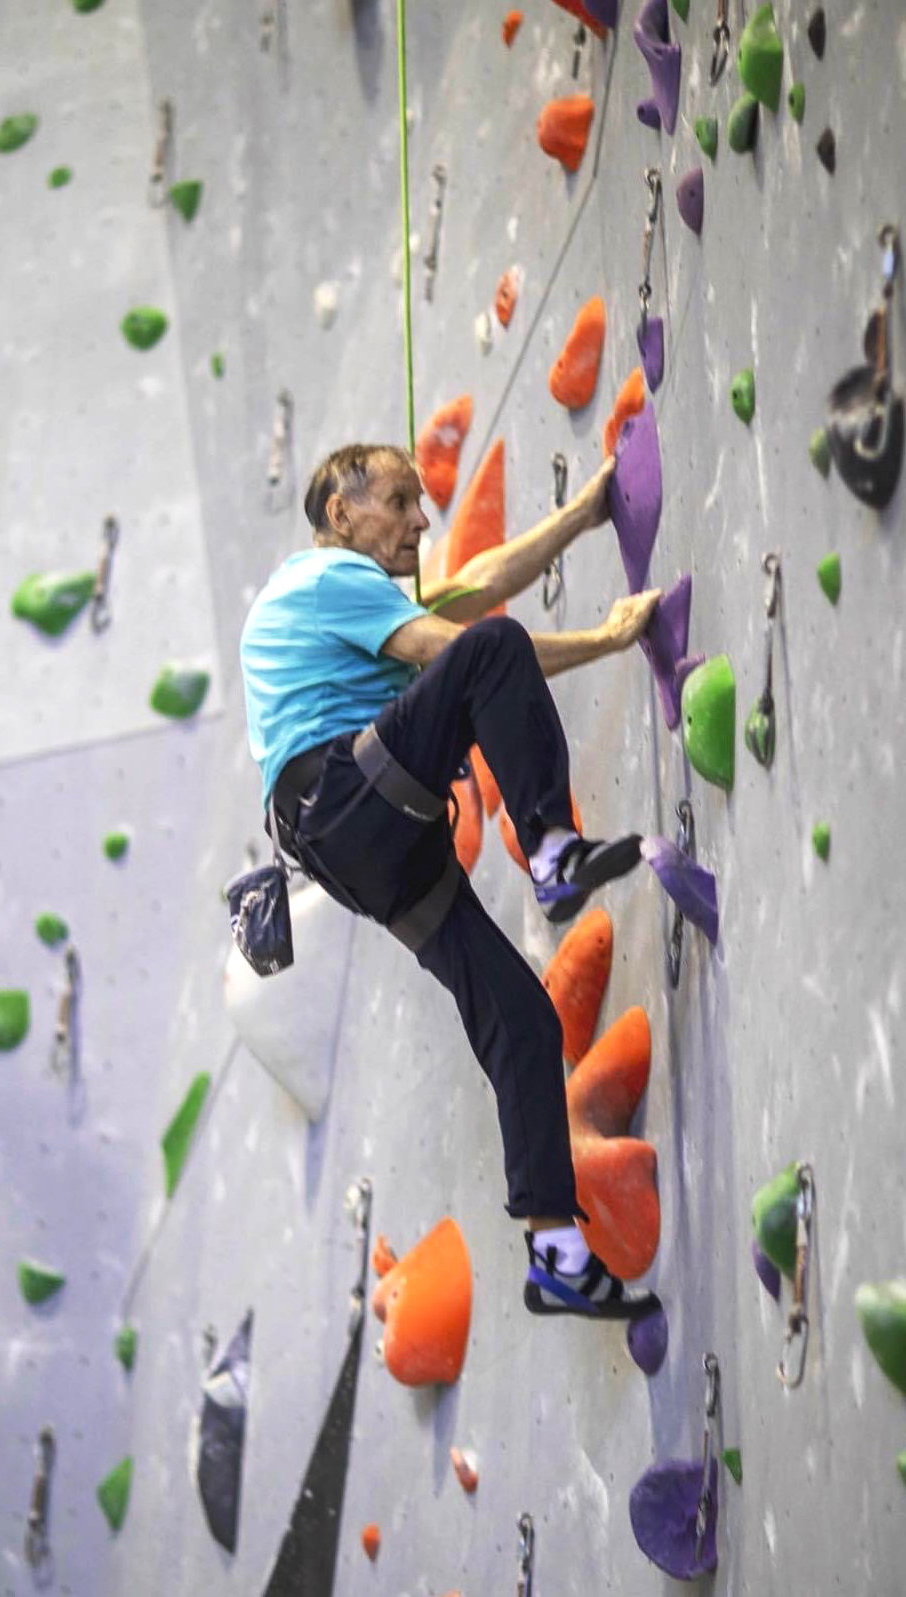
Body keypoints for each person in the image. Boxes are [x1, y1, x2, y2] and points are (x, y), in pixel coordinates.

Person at [239, 442, 661, 1321]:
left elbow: (477, 577)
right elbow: (467, 645)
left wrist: (583, 516)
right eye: (399, 500)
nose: (420, 518)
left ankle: (556, 1250)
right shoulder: (326, 580)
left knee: (520, 1016)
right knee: (491, 647)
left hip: (367, 851)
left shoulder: (339, 605)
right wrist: (609, 638)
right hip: (352, 798)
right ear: (339, 513)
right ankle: (549, 850)